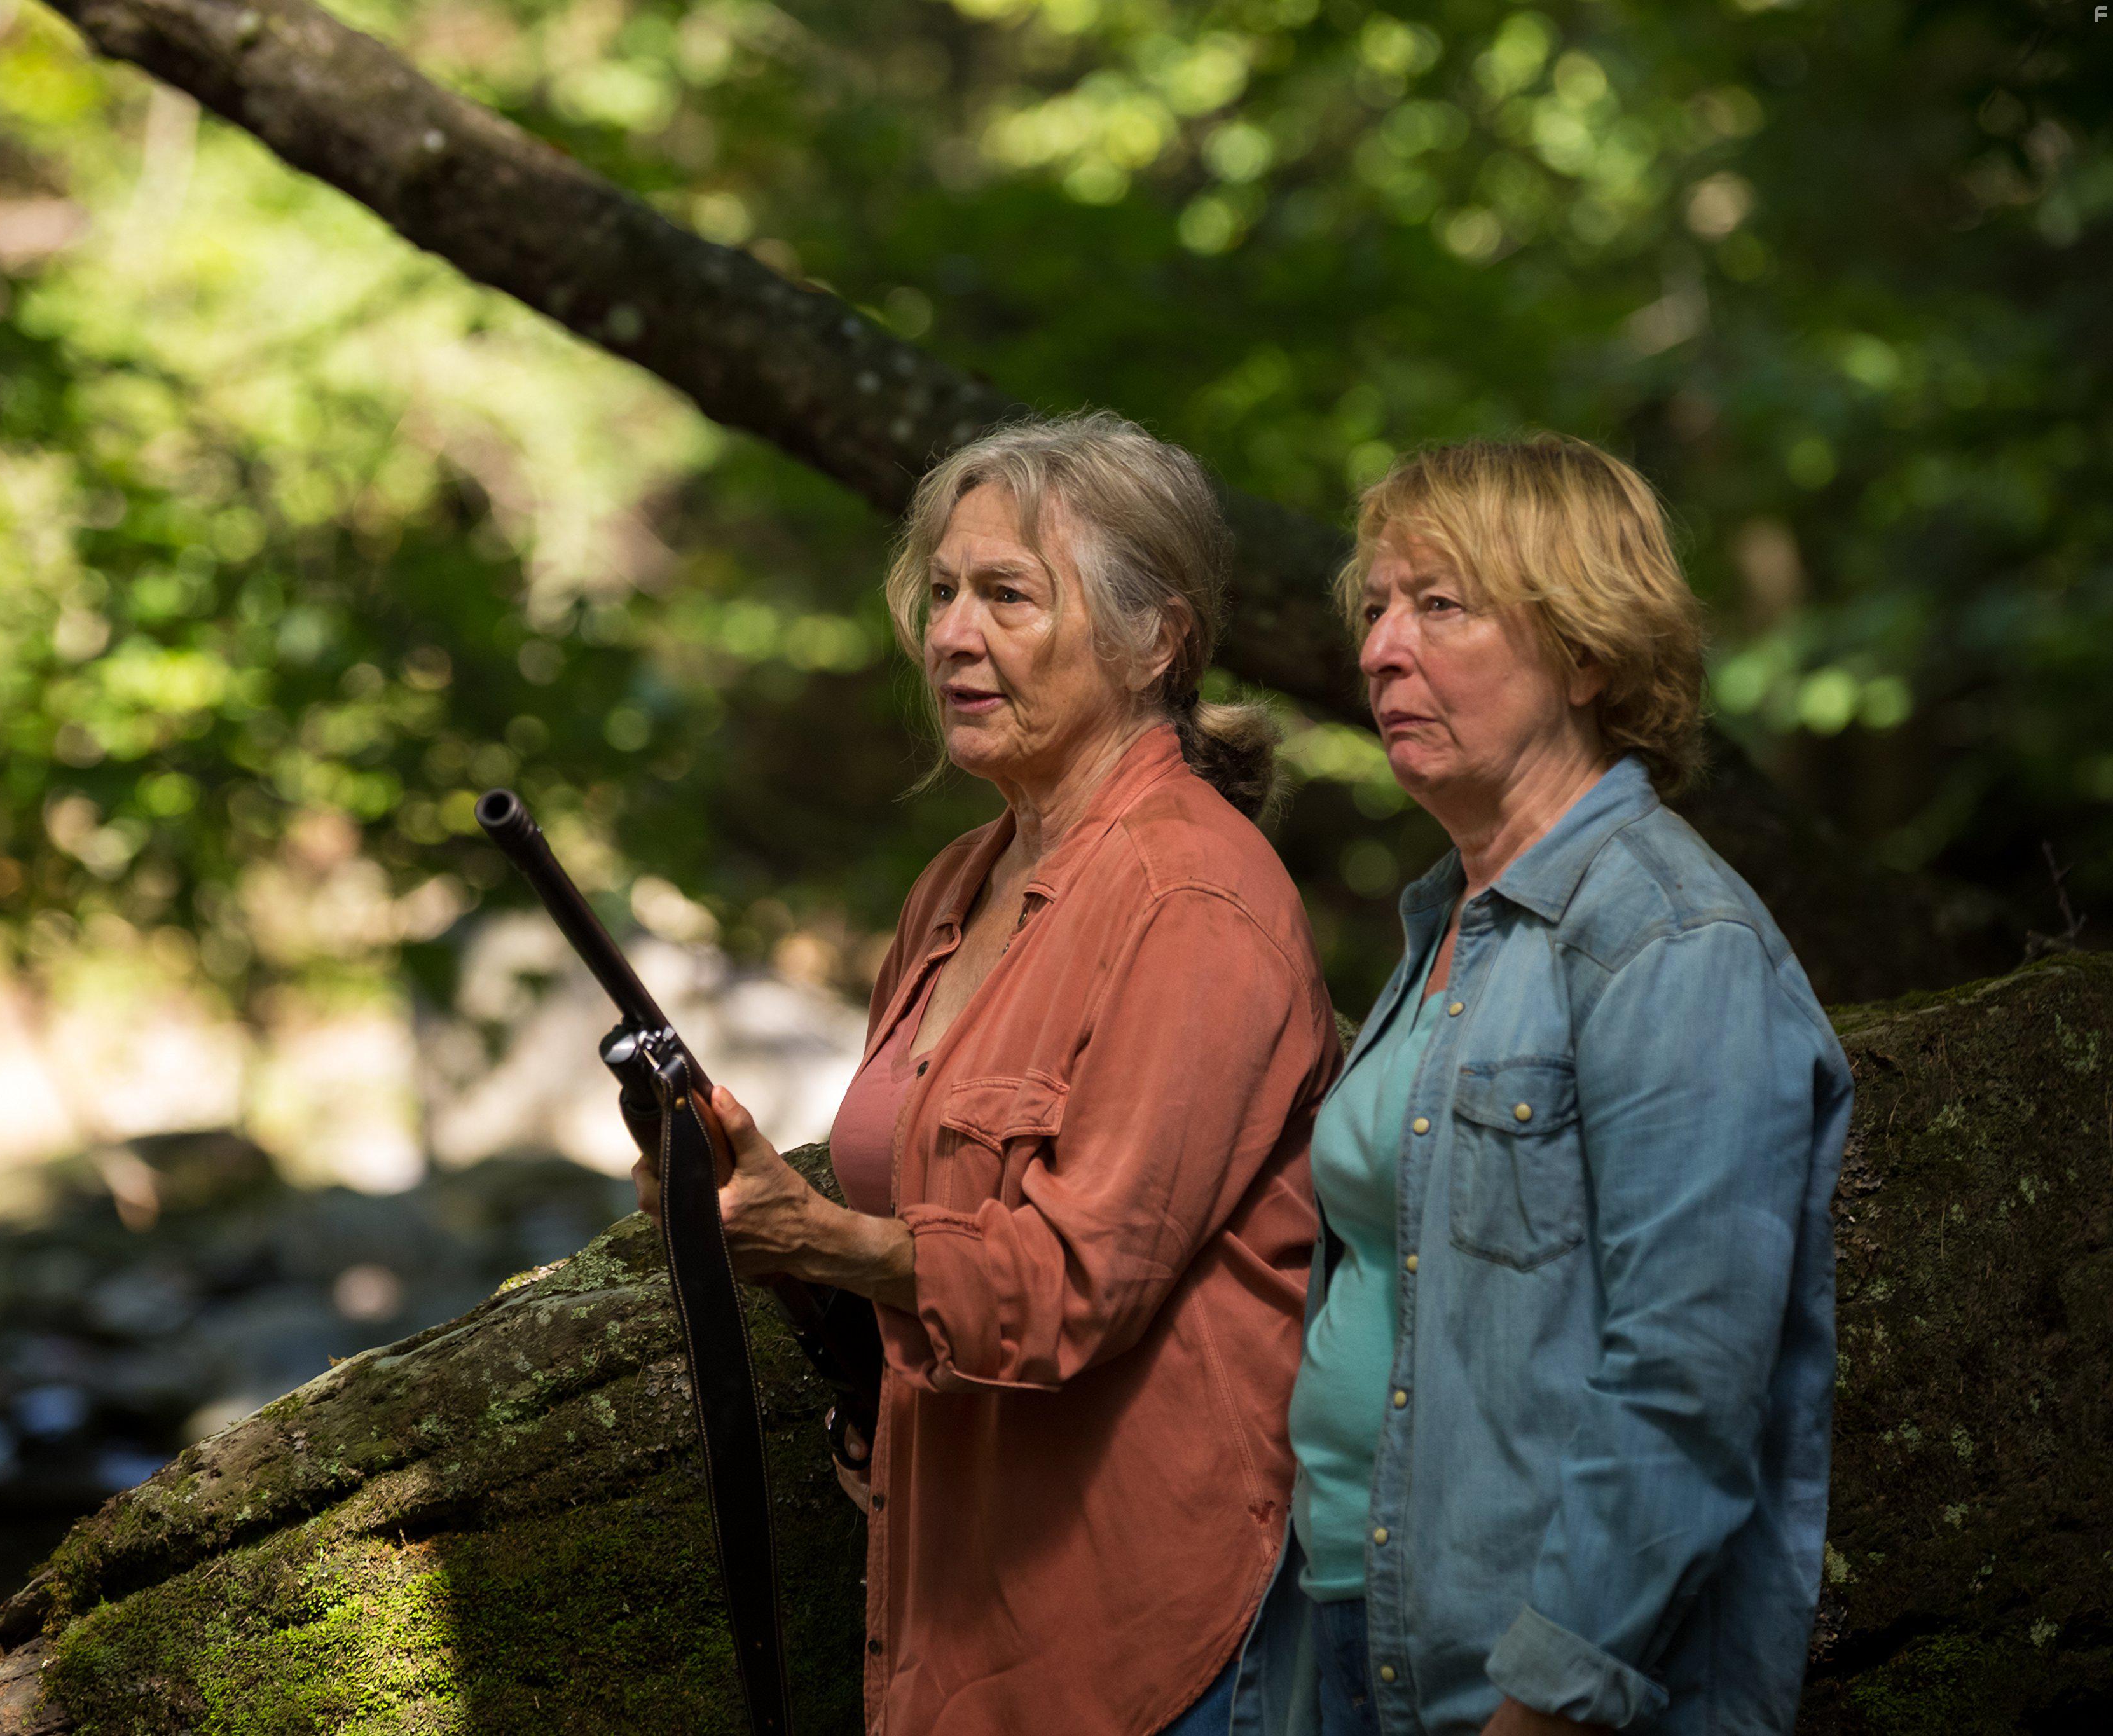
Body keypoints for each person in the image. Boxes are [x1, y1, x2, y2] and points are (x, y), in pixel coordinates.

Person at [635, 413, 1339, 1736]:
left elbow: (1072, 1285)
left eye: (1007, 595)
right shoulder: (959, 880)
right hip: (961, 1626)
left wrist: (839, 1244)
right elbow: (917, 1207)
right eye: (942, 593)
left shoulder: (1192, 898)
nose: (952, 635)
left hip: (1159, 1651)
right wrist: (744, 1211)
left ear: (1154, 640)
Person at [1277, 434, 1854, 1735]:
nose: (1379, 650)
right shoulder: (1447, 925)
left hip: (1536, 1686)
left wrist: (1549, 1697)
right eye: (1374, 608)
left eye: (1439, 606)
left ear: (1587, 653)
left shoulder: (1666, 941)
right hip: (1359, 1631)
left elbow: (1686, 1378)